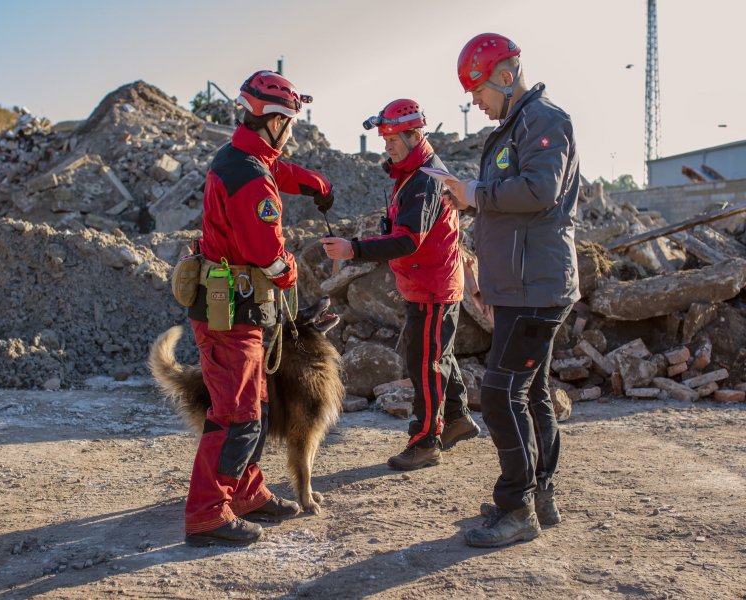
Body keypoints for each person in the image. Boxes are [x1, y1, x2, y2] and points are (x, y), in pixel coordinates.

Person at [183, 70, 335, 546]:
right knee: (236, 417)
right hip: (234, 314)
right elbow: (268, 256)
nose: (290, 134)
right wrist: (290, 268)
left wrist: (313, 182)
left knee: (253, 409)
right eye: (289, 124)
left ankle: (247, 493)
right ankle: (208, 512)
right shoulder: (250, 180)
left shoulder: (243, 159)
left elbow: (275, 169)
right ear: (274, 121)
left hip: (240, 312)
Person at [443, 34, 581, 548]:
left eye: (477, 90)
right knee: (531, 394)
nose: (475, 103)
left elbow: (539, 191)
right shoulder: (516, 125)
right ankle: (538, 496)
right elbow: (511, 207)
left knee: (501, 395)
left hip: (536, 289)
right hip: (520, 285)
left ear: (504, 75)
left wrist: (475, 193)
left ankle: (517, 506)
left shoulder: (543, 119)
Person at [320, 98, 481, 471]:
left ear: (414, 134)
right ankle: (456, 420)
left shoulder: (423, 178)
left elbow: (410, 239)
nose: (387, 145)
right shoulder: (413, 174)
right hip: (430, 283)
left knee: (426, 364)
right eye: (385, 138)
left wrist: (353, 249)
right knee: (436, 356)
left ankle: (425, 442)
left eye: (393, 138)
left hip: (432, 286)